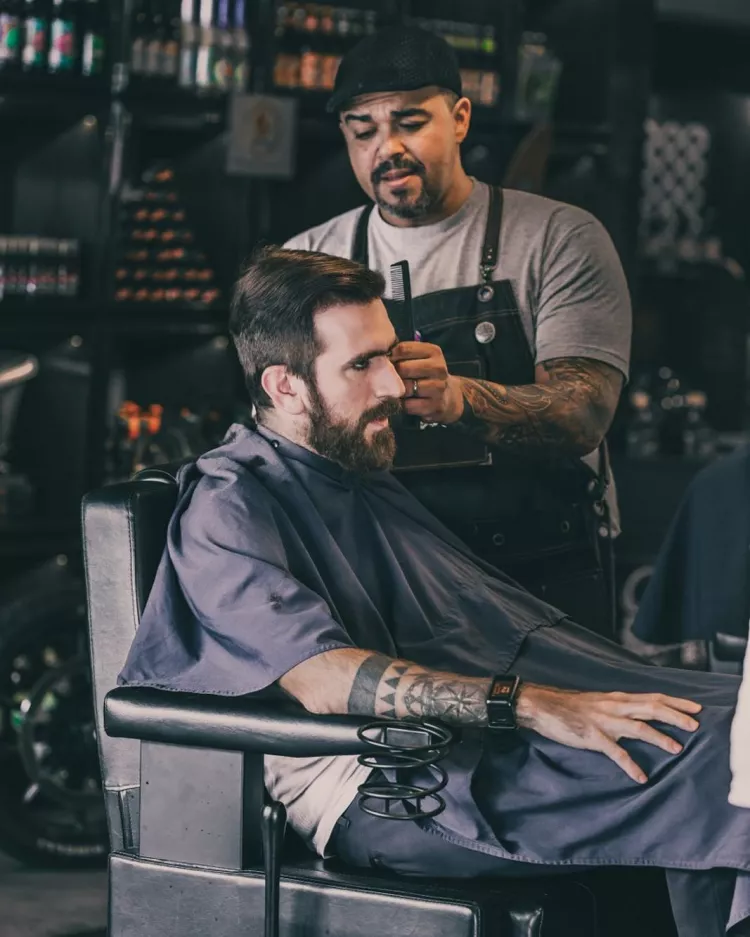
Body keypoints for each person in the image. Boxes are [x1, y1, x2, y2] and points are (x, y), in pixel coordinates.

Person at [121, 248, 749, 937]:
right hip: (394, 784)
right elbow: (325, 679)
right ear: (285, 384)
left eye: (391, 354)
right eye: (361, 364)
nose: (393, 384)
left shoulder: (352, 469)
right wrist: (541, 705)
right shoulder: (228, 504)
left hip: (470, 741)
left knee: (736, 719)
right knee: (722, 761)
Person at [283, 24, 632, 635]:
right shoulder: (310, 258)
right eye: (363, 131)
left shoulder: (559, 238)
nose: (385, 148)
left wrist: (459, 399)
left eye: (410, 123)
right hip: (382, 569)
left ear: (461, 118)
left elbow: (585, 413)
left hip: (542, 569)